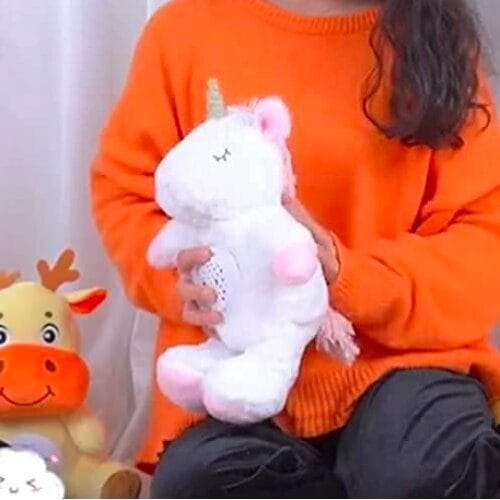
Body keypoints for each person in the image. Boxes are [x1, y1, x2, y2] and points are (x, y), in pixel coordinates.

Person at [91, 0, 500, 497]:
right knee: (206, 484)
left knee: (423, 472)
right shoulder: (185, 29)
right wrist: (184, 282)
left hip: (406, 365)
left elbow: (481, 244)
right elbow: (126, 192)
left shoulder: (435, 41)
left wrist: (346, 274)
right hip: (233, 371)